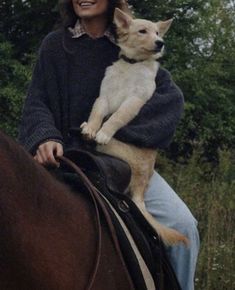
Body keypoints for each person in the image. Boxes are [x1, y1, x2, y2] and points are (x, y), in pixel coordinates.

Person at [18, 0, 200, 289]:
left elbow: (170, 100)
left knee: (183, 225)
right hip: (67, 160)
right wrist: (44, 137)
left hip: (122, 163)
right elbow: (37, 101)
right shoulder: (55, 45)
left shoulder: (134, 41)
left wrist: (117, 135)